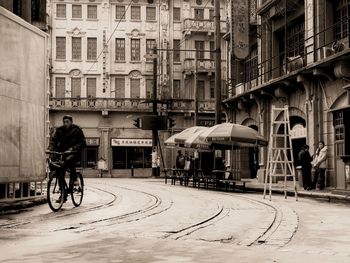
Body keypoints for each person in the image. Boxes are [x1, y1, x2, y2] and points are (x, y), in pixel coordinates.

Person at [49, 115, 86, 202]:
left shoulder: (77, 130)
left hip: (74, 153)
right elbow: (54, 141)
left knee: (69, 161)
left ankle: (75, 178)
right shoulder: (60, 130)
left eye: (67, 122)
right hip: (62, 153)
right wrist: (50, 149)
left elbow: (83, 142)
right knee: (59, 173)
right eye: (64, 122)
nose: (65, 123)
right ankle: (64, 193)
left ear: (71, 122)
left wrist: (73, 148)